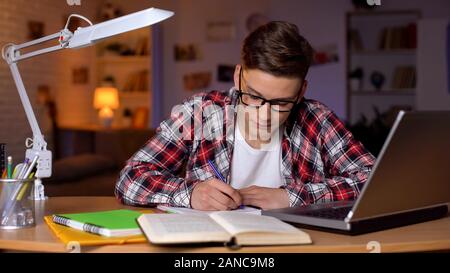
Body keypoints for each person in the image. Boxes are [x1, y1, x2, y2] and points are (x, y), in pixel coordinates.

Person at [115, 21, 375, 211]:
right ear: (238, 76)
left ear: (300, 92)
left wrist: (293, 198)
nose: (264, 115)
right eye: (253, 96)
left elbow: (374, 181)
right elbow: (130, 178)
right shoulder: (200, 112)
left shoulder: (317, 119)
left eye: (281, 102)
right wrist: (189, 193)